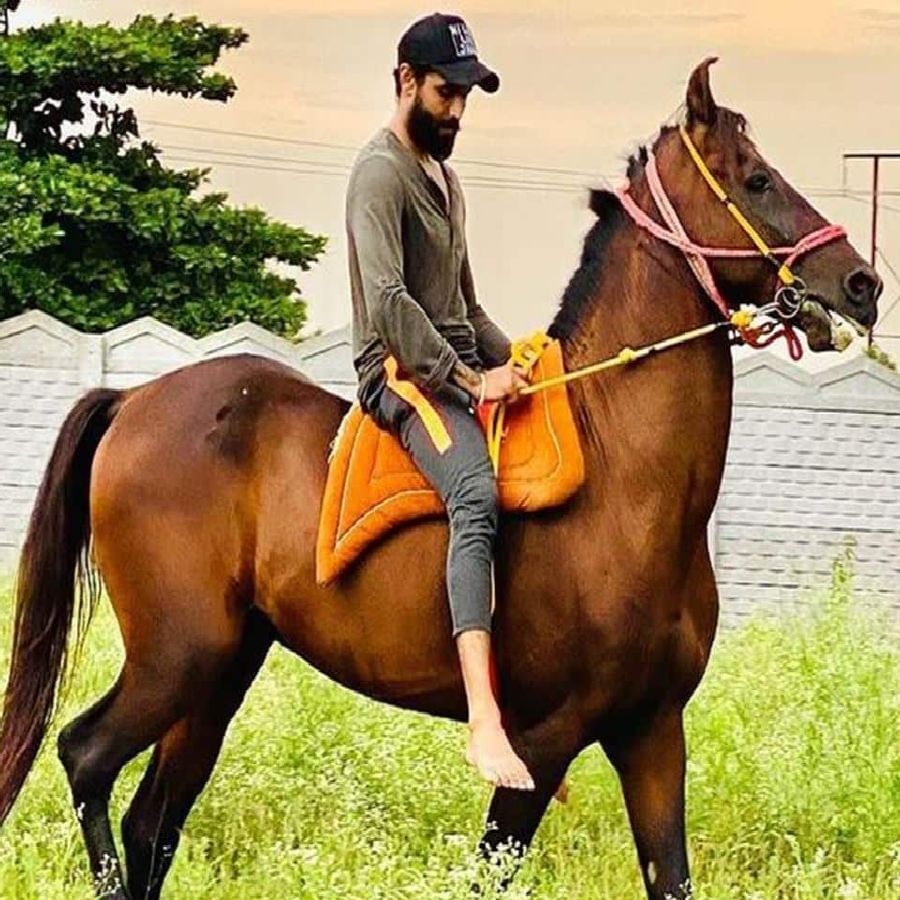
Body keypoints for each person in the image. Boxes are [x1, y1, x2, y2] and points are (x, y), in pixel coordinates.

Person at [346, 12, 534, 792]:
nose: (456, 109)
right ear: (404, 80)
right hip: (398, 374)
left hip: (448, 360)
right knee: (475, 492)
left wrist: (523, 357)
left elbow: (466, 308)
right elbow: (390, 302)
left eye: (465, 95)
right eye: (444, 91)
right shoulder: (380, 173)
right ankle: (483, 720)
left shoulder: (445, 181)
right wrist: (468, 381)